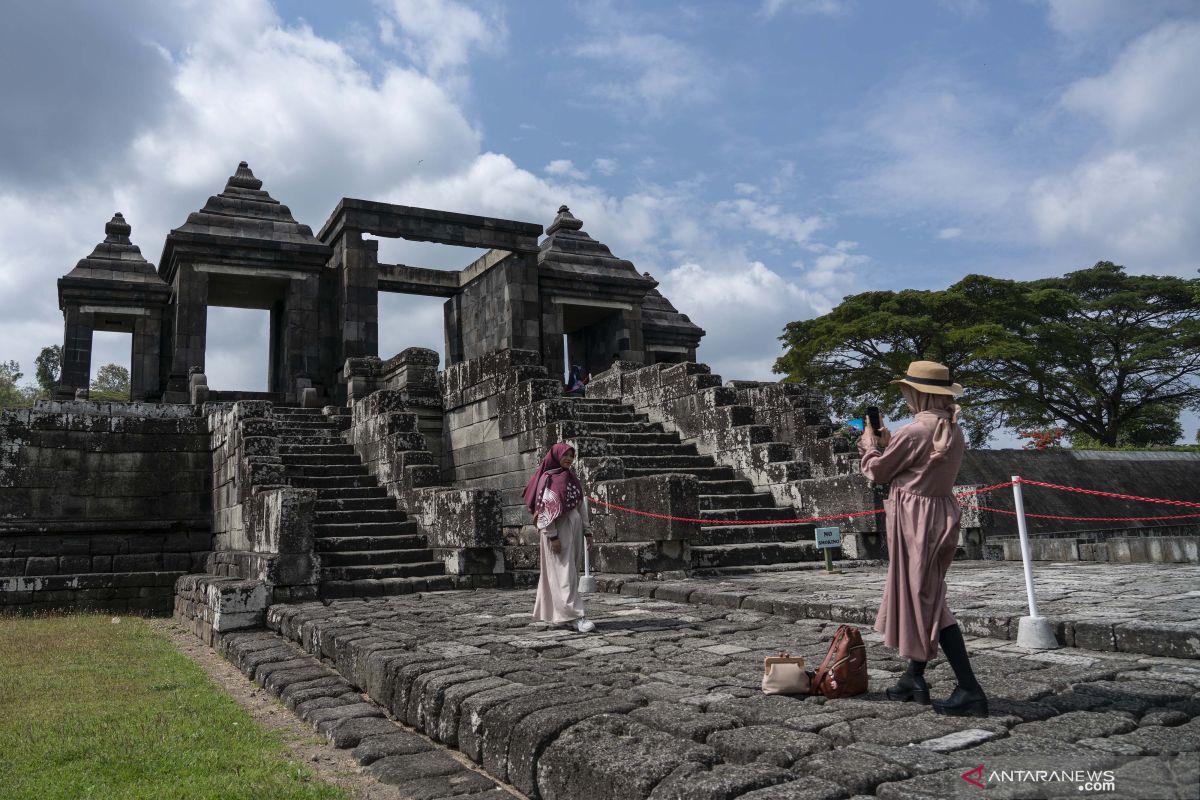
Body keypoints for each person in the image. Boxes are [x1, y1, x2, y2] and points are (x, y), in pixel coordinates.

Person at [858, 360, 987, 717]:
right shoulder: (952, 428)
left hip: (915, 519)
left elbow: (878, 471)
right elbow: (916, 464)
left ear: (918, 391)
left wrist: (870, 445)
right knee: (922, 595)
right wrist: (889, 443)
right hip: (939, 513)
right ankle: (912, 678)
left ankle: (970, 688)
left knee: (926, 599)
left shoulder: (915, 431)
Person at [525, 442, 595, 633]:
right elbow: (545, 510)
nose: (569, 460)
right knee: (564, 573)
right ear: (556, 456)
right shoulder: (549, 479)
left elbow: (581, 505)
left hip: (574, 528)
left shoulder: (571, 477)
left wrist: (587, 531)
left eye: (572, 456)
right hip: (558, 529)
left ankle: (561, 616)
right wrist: (552, 536)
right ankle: (577, 616)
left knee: (570, 572)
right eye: (565, 455)